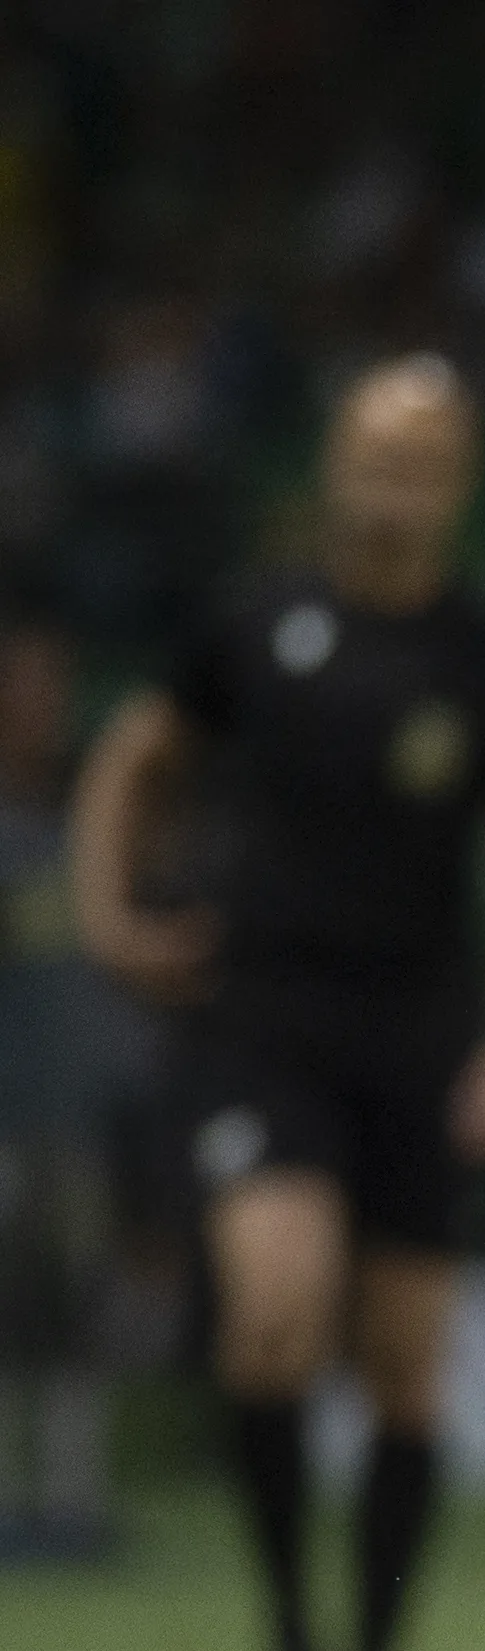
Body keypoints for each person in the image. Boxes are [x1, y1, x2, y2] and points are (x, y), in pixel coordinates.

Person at [68, 356, 485, 1651]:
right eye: (374, 451)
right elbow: (133, 754)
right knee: (273, 1319)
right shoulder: (258, 623)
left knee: (405, 1378)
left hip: (417, 1038)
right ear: (334, 464)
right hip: (262, 1024)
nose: (394, 480)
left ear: (460, 480)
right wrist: (109, 914)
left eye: (424, 456)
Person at [0, 618, 125, 1560]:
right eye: (24, 686)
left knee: (74, 1309)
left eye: (53, 688)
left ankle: (74, 1508)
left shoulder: (85, 828)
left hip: (71, 1120)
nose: (40, 708)